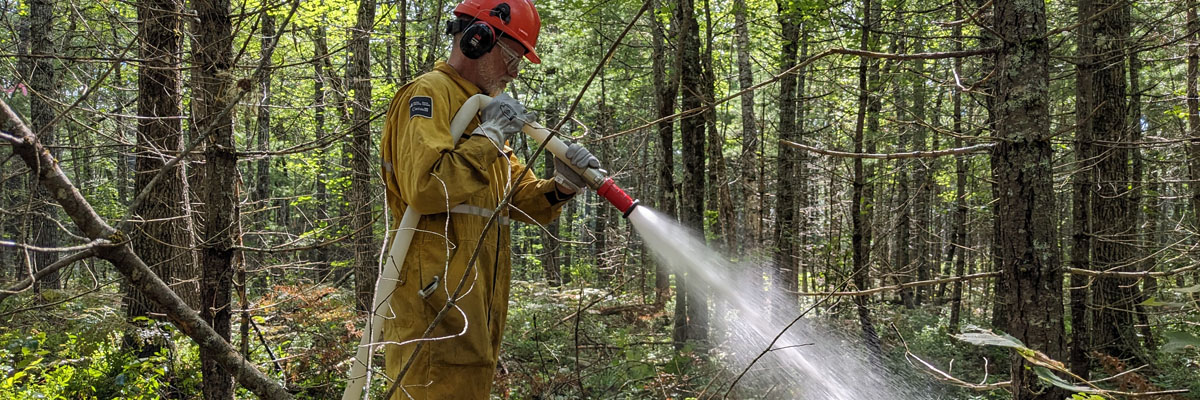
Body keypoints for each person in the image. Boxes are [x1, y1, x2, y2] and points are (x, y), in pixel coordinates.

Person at [378, 0, 598, 398]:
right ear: (477, 40)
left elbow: (517, 198)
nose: (514, 73)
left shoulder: (485, 115)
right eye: (512, 57)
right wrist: (491, 136)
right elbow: (427, 188)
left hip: (474, 315)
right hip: (433, 317)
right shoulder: (429, 94)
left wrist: (562, 185)